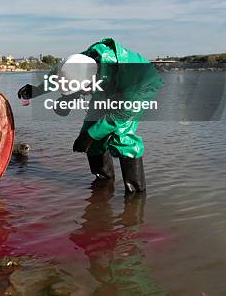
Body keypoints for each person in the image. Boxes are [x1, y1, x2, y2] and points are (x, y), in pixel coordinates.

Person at [18, 38, 164, 194]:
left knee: (121, 136)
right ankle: (104, 184)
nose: (84, 94)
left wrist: (90, 135)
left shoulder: (130, 79)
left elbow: (119, 115)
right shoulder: (82, 60)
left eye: (83, 91)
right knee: (91, 129)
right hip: (108, 82)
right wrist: (37, 90)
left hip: (140, 85)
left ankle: (135, 196)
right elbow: (58, 74)